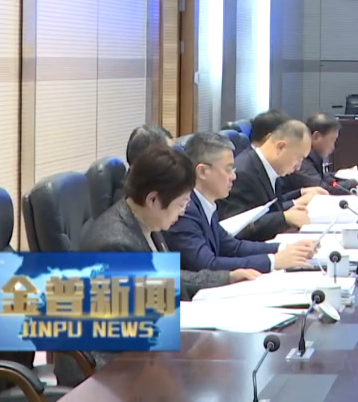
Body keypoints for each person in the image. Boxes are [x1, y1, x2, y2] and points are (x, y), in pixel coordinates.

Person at [65, 146, 237, 387]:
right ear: (153, 199)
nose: (183, 212)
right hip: (108, 368)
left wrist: (226, 278)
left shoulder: (144, 221)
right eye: (181, 204)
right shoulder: (115, 243)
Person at [164, 132, 316, 273]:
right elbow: (207, 264)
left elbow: (233, 247)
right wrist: (273, 261)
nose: (234, 177)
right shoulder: (185, 209)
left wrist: (285, 248)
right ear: (203, 171)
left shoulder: (206, 203)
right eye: (228, 170)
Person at [217, 119, 326, 241]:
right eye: (299, 158)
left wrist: (289, 210)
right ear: (280, 147)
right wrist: (284, 218)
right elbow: (237, 229)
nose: (298, 167)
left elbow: (269, 209)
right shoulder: (242, 174)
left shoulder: (270, 169)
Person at [285, 113, 358, 194]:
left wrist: (340, 174)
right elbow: (323, 190)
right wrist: (356, 182)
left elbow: (325, 179)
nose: (333, 147)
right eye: (332, 140)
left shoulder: (313, 157)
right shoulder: (301, 160)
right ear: (316, 136)